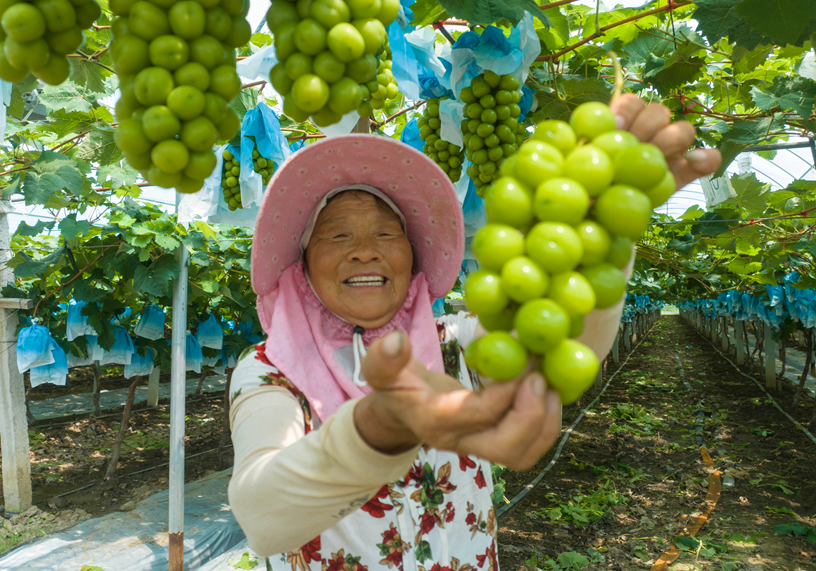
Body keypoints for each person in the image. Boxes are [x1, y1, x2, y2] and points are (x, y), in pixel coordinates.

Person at [227, 94, 720, 570]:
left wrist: (607, 237)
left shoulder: (452, 343)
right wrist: (378, 427)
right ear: (303, 264)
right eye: (337, 234)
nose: (364, 251)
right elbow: (262, 514)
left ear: (412, 258)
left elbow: (564, 345)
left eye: (385, 233)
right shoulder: (271, 369)